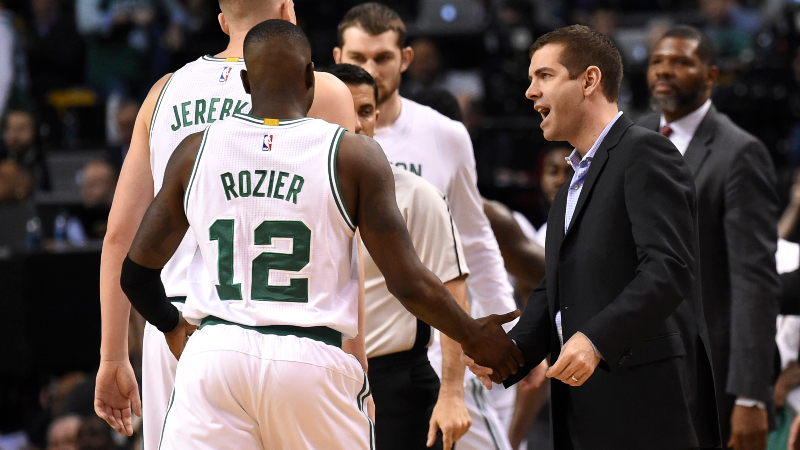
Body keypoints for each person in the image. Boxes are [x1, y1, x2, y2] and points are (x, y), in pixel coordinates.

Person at [119, 20, 522, 449]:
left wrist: (172, 325)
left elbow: (136, 275)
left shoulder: (195, 150)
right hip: (311, 357)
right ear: (312, 76)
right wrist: (474, 335)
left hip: (216, 354)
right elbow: (407, 281)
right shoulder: (354, 154)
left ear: (243, 80)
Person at [93, 0, 362, 447]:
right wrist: (357, 359)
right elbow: (344, 239)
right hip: (287, 328)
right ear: (286, 12)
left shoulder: (163, 92)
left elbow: (120, 235)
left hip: (172, 326)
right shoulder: (321, 89)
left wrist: (112, 354)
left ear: (221, 21)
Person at [467, 24, 720, 450]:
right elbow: (556, 289)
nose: (530, 91)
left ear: (589, 80)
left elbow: (669, 268)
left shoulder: (644, 151)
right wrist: (509, 354)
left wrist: (595, 338)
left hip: (648, 407)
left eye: (544, 76)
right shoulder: (570, 183)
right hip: (584, 406)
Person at [334, 5, 518, 450]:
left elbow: (474, 240)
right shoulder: (317, 144)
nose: (370, 69)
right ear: (338, 56)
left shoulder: (445, 134)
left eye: (381, 58)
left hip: (433, 346)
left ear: (406, 58)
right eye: (358, 58)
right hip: (338, 356)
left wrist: (509, 337)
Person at [638, 25, 780, 450]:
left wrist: (751, 394)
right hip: (634, 364)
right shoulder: (632, 137)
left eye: (682, 62)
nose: (665, 71)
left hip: (707, 373)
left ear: (711, 75)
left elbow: (754, 281)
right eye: (658, 61)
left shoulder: (740, 153)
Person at [323, 62, 471, 450]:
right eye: (346, 110)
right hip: (315, 374)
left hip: (397, 381)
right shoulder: (295, 194)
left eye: (367, 111)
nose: (358, 123)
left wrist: (453, 390)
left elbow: (451, 291)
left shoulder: (417, 195)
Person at [1, 108, 50, 191]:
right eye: (10, 129)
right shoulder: (2, 157)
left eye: (21, 129)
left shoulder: (45, 160)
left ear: (34, 130)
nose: (15, 136)